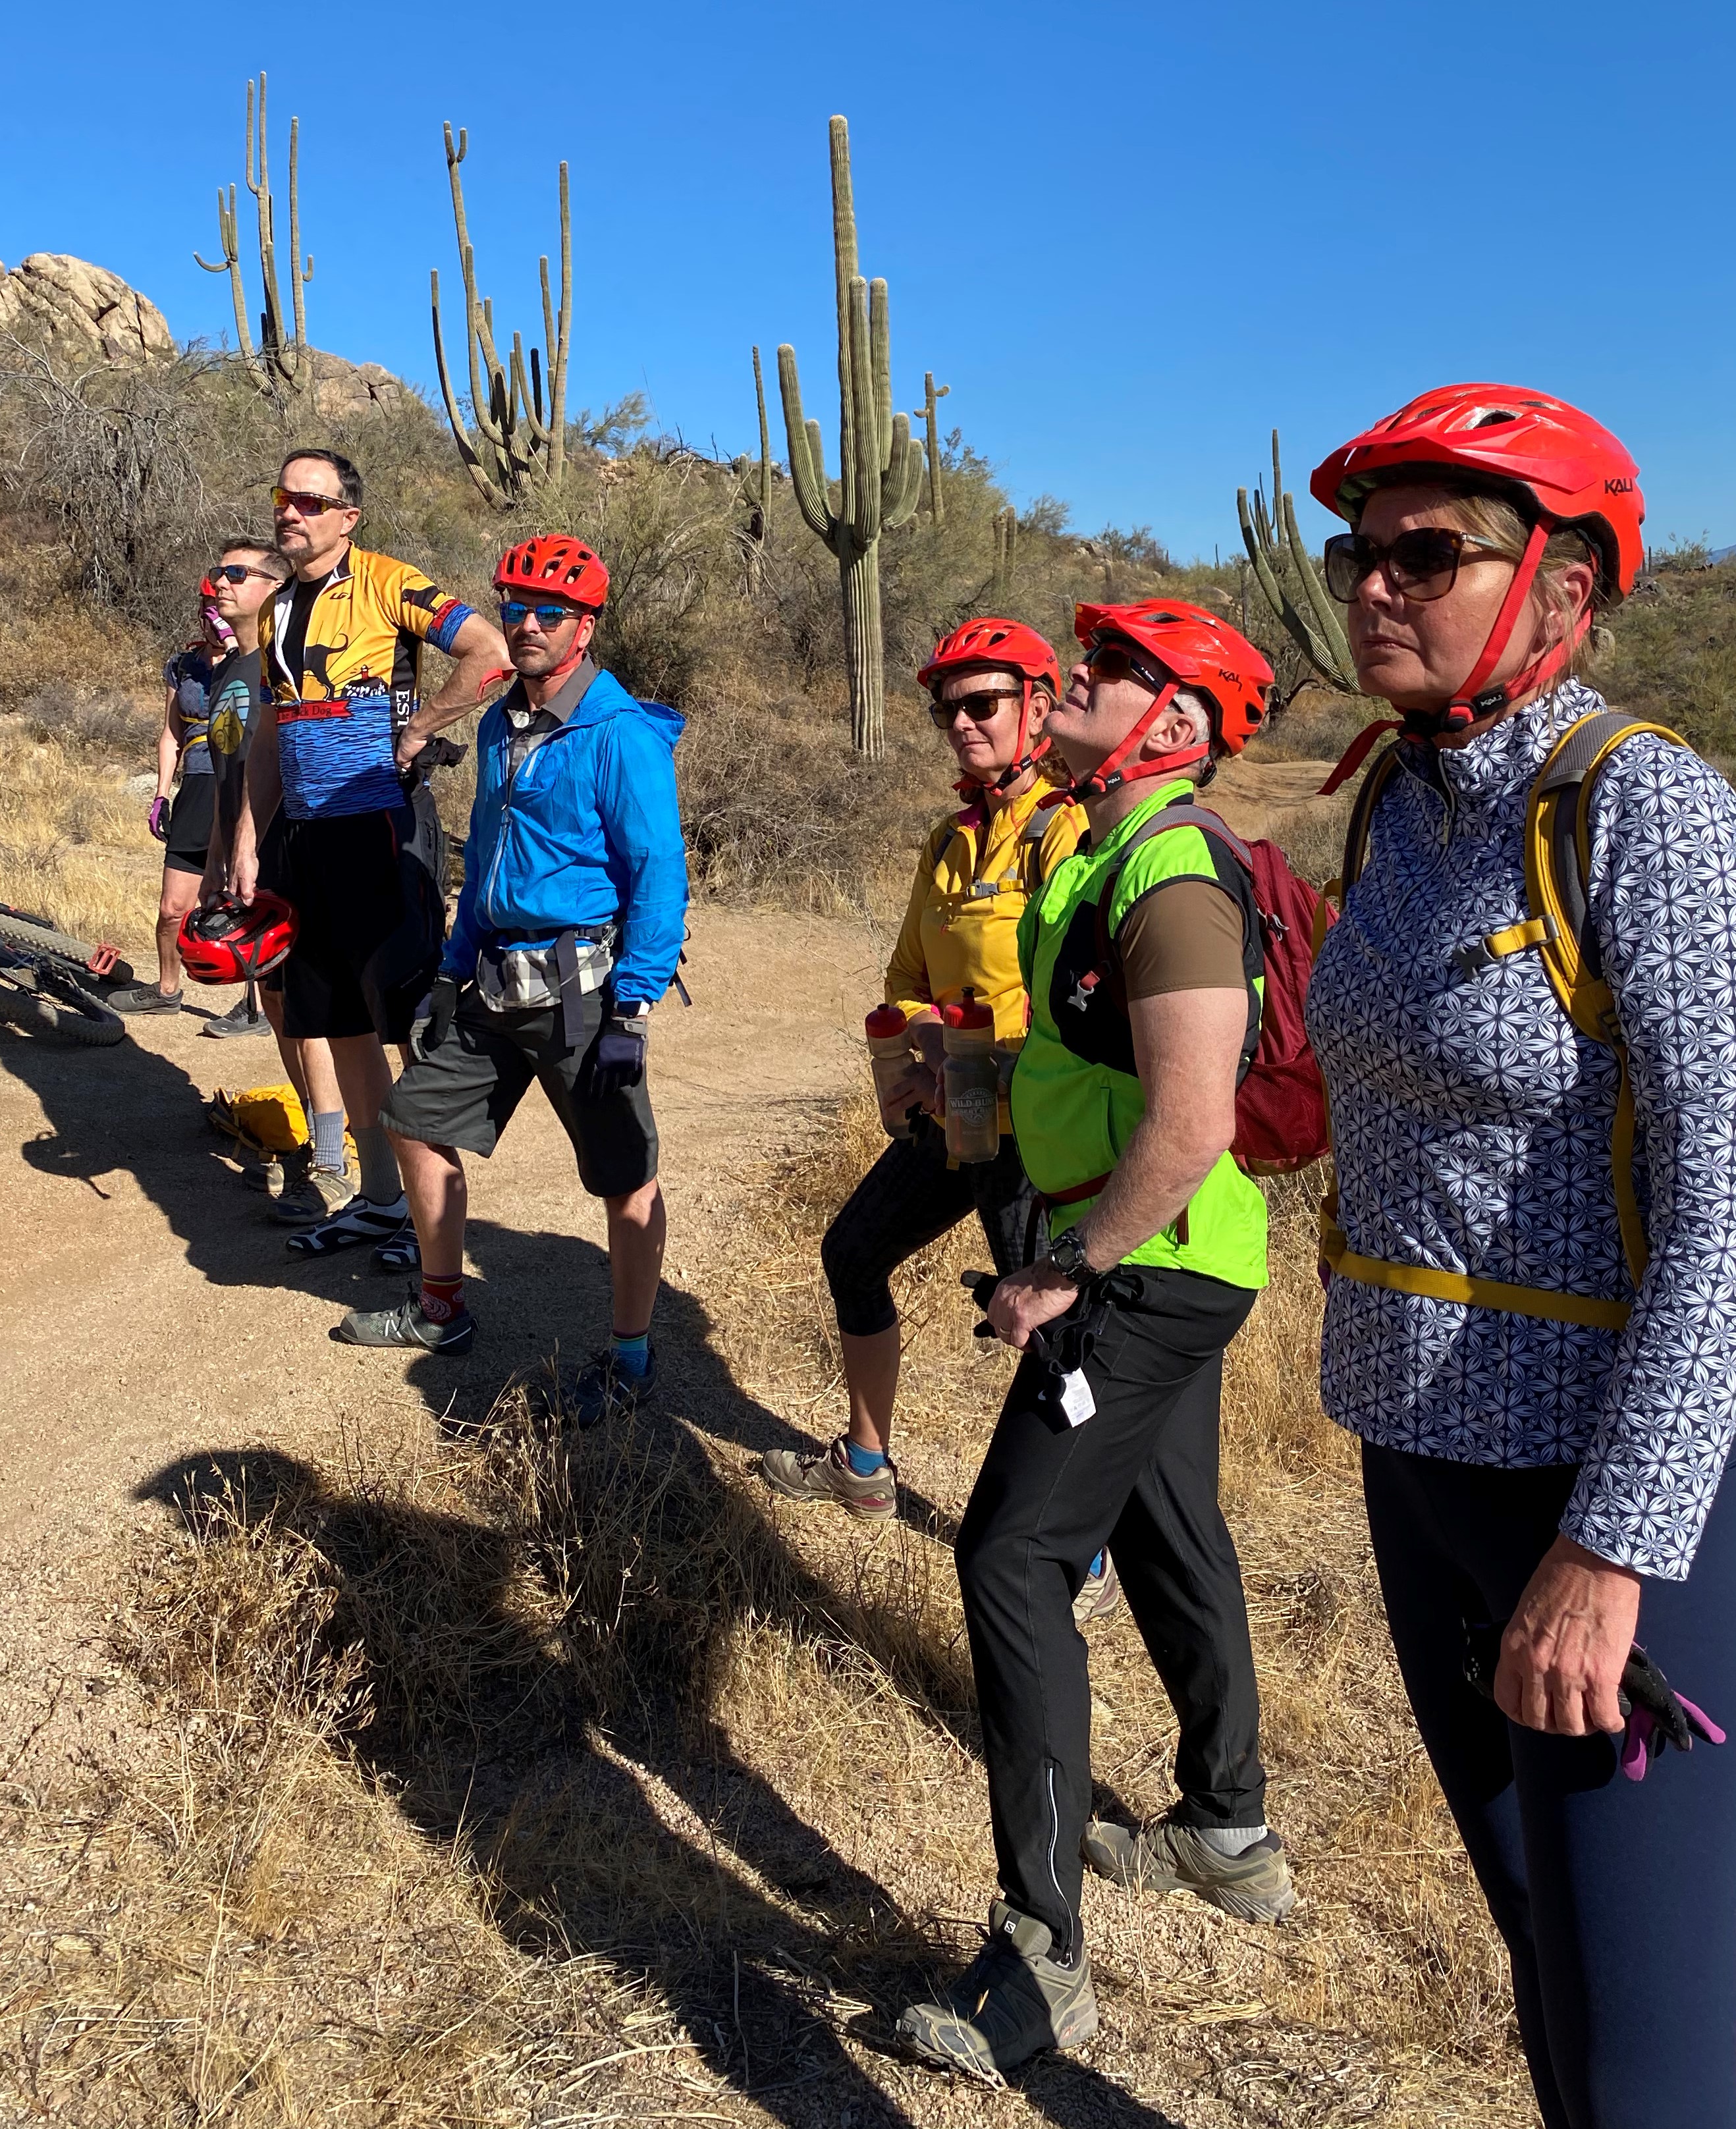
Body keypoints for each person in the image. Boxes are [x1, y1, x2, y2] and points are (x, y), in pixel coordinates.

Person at [1302, 384, 1736, 2129]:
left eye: (1424, 553)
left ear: (1562, 592)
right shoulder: (1395, 813)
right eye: (1358, 551)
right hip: (1413, 1468)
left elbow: (1734, 1208)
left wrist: (1609, 1550)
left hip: (1591, 1505)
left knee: (1650, 2065)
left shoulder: (1642, 809)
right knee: (1552, 1990)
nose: (1371, 584)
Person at [897, 599, 1291, 2080]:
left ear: (1174, 725)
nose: (1080, 678)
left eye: (1118, 669)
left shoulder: (1172, 870)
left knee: (1005, 1554)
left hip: (1145, 1270)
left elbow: (1191, 1119)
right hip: (1161, 1259)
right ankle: (1224, 1826)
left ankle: (1036, 1951)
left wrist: (1061, 1267)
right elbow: (1095, 1059)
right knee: (1171, 1521)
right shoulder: (1102, 845)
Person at [759, 620, 1120, 1612]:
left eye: (981, 704)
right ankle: (865, 1468)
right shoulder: (949, 838)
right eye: (945, 708)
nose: (959, 722)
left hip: (1034, 1131)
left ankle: (1080, 1548)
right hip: (953, 1108)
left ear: (1038, 708)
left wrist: (977, 1048)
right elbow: (905, 977)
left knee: (1052, 1328)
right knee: (851, 1253)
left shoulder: (1069, 831)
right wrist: (924, 1046)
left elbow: (1074, 997)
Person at [333, 534, 689, 1428]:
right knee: (414, 1123)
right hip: (492, 978)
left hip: (583, 996)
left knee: (624, 1179)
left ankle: (631, 1355)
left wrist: (631, 1011)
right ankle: (441, 1305)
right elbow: (488, 851)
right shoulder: (495, 721)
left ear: (585, 627)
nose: (527, 625)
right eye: (515, 606)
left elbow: (657, 877)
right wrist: (452, 970)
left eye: (549, 612)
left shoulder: (619, 735)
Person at [230, 448, 510, 1258]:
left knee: (406, 1023)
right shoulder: (277, 609)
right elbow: (266, 739)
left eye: (310, 501)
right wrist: (250, 839)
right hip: (307, 836)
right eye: (283, 496)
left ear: (347, 517)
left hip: (382, 827)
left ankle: (435, 1233)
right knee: (340, 1022)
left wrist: (420, 728)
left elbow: (488, 650)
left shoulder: (389, 581)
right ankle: (382, 1200)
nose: (291, 511)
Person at [195, 534, 354, 1216]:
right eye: (217, 572)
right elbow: (229, 782)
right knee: (282, 1008)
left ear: (273, 585)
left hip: (286, 857)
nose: (220, 584)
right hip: (241, 859)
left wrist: (262, 852)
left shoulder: (283, 666)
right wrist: (213, 863)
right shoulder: (233, 670)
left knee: (309, 1008)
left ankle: (333, 1164)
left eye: (236, 573)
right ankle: (319, 1147)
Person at [107, 581, 231, 1015]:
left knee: (239, 901)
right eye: (212, 607)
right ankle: (165, 990)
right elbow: (171, 733)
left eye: (226, 607)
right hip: (196, 786)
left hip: (239, 786)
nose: (219, 616)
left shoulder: (255, 662)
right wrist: (161, 794)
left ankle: (256, 1004)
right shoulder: (182, 666)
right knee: (172, 907)